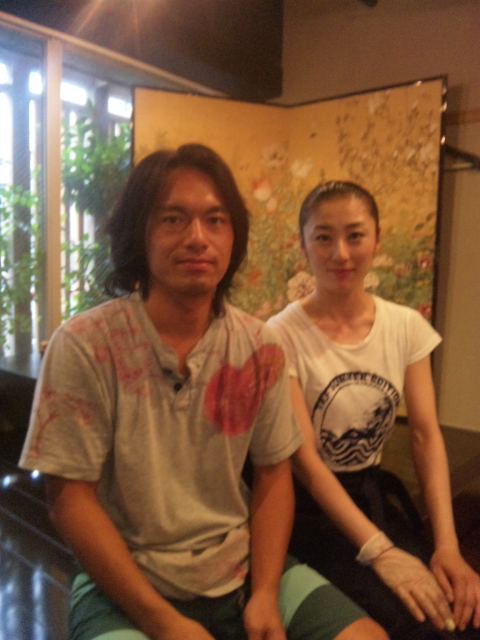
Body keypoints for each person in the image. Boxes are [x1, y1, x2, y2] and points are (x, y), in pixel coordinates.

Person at [19, 148, 387, 640]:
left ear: (234, 236)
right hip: (125, 583)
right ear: (139, 233)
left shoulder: (260, 345)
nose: (197, 238)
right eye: (173, 219)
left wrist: (264, 592)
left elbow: (274, 474)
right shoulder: (86, 344)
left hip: (240, 567)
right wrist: (163, 622)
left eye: (216, 220)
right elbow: (69, 500)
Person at [267, 180, 480, 640]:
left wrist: (447, 546)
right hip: (309, 510)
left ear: (377, 241)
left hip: (372, 497)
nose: (341, 253)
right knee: (414, 622)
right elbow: (306, 460)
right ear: (303, 245)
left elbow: (425, 434)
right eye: (324, 237)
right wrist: (379, 552)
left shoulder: (405, 325)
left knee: (460, 615)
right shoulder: (280, 334)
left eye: (355, 235)